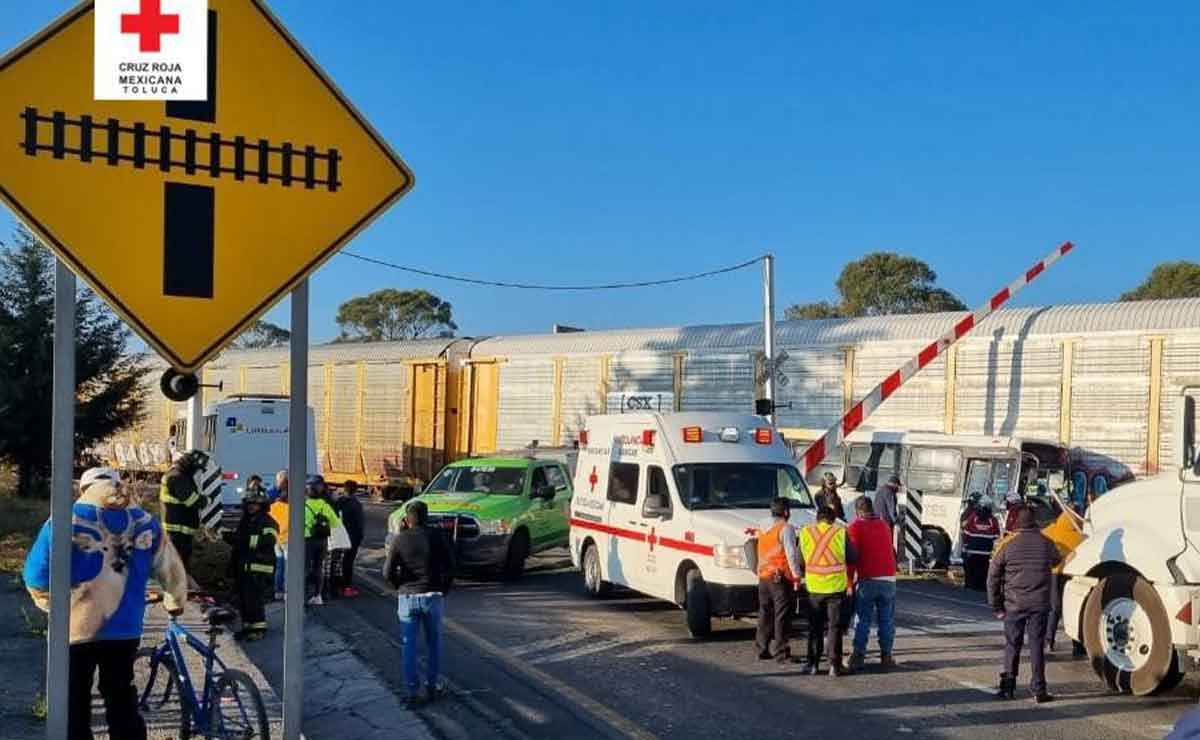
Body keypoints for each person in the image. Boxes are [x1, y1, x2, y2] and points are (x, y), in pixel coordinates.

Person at [24, 472, 187, 740]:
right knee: (121, 694)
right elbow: (173, 573)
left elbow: (36, 574)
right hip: (125, 629)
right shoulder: (147, 523)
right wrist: (175, 603)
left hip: (74, 628)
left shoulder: (65, 519)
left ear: (85, 489)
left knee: (73, 698)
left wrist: (50, 605)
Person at [384, 500, 456, 705]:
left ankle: (411, 691)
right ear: (427, 517)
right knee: (434, 644)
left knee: (409, 646)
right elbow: (451, 567)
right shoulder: (438, 537)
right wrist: (444, 589)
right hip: (433, 596)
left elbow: (387, 572)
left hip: (407, 597)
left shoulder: (399, 540)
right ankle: (432, 686)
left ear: (407, 519)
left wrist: (399, 587)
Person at [988, 505, 1061, 703]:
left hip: (1014, 605)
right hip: (1039, 605)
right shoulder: (1046, 543)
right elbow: (1057, 560)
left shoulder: (1008, 545)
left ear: (1018, 524)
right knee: (1037, 646)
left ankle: (1008, 688)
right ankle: (1039, 689)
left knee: (1012, 645)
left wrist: (996, 606)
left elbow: (993, 576)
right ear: (1035, 522)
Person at [798, 505, 857, 676]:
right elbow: (853, 557)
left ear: (817, 518)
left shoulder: (806, 532)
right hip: (836, 589)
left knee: (815, 627)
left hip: (814, 588)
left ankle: (813, 664)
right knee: (834, 628)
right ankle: (834, 665)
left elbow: (801, 561)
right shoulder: (840, 532)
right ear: (833, 519)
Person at [847, 496, 897, 671]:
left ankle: (858, 655)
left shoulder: (854, 527)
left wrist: (848, 582)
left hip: (867, 578)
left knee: (863, 619)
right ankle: (886, 655)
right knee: (886, 619)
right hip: (889, 578)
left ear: (857, 511)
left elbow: (852, 558)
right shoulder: (884, 525)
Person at [222, 488, 278, 640]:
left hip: (258, 567)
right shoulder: (246, 521)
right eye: (249, 504)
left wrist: (243, 541)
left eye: (255, 504)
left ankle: (259, 629)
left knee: (254, 600)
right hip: (244, 567)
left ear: (263, 505)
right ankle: (247, 628)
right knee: (244, 600)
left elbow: (269, 540)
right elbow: (240, 541)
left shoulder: (267, 521)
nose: (251, 507)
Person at [754, 497, 803, 664]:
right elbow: (791, 554)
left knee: (765, 612)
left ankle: (762, 648)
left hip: (764, 576)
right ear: (787, 512)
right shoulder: (786, 528)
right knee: (782, 615)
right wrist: (797, 575)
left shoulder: (762, 526)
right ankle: (781, 652)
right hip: (779, 578)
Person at [1041, 504, 1086, 655]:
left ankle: (1049, 641)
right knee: (1074, 609)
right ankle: (1078, 645)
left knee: (1054, 608)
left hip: (1054, 574)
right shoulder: (1082, 536)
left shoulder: (1051, 530)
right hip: (1074, 575)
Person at [159, 450, 206, 568]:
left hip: (181, 529)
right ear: (190, 464)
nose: (196, 471)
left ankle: (180, 582)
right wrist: (206, 500)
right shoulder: (177, 477)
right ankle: (175, 584)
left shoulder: (182, 475)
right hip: (176, 530)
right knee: (176, 562)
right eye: (196, 468)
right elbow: (192, 501)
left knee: (180, 561)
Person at [304, 475, 342, 606]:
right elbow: (336, 523)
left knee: (305, 568)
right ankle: (318, 596)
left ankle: (302, 596)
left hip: (307, 540)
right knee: (319, 568)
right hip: (322, 540)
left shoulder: (303, 505)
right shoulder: (325, 505)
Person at [333, 480, 366, 598]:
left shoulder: (337, 502)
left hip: (338, 536)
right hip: (352, 537)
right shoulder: (355, 504)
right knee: (348, 562)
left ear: (344, 488)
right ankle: (346, 587)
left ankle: (334, 586)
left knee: (336, 561)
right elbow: (359, 523)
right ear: (355, 490)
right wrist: (360, 535)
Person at [961, 497, 1001, 591]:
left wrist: (965, 546)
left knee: (971, 568)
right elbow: (996, 536)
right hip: (986, 552)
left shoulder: (973, 517)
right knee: (983, 569)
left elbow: (966, 533)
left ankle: (971, 586)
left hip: (972, 549)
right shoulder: (993, 519)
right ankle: (982, 587)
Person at [269, 480, 290, 600]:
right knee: (288, 567)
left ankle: (278, 591)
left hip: (276, 541)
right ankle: (287, 592)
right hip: (287, 540)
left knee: (279, 566)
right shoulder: (292, 508)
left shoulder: (272, 507)